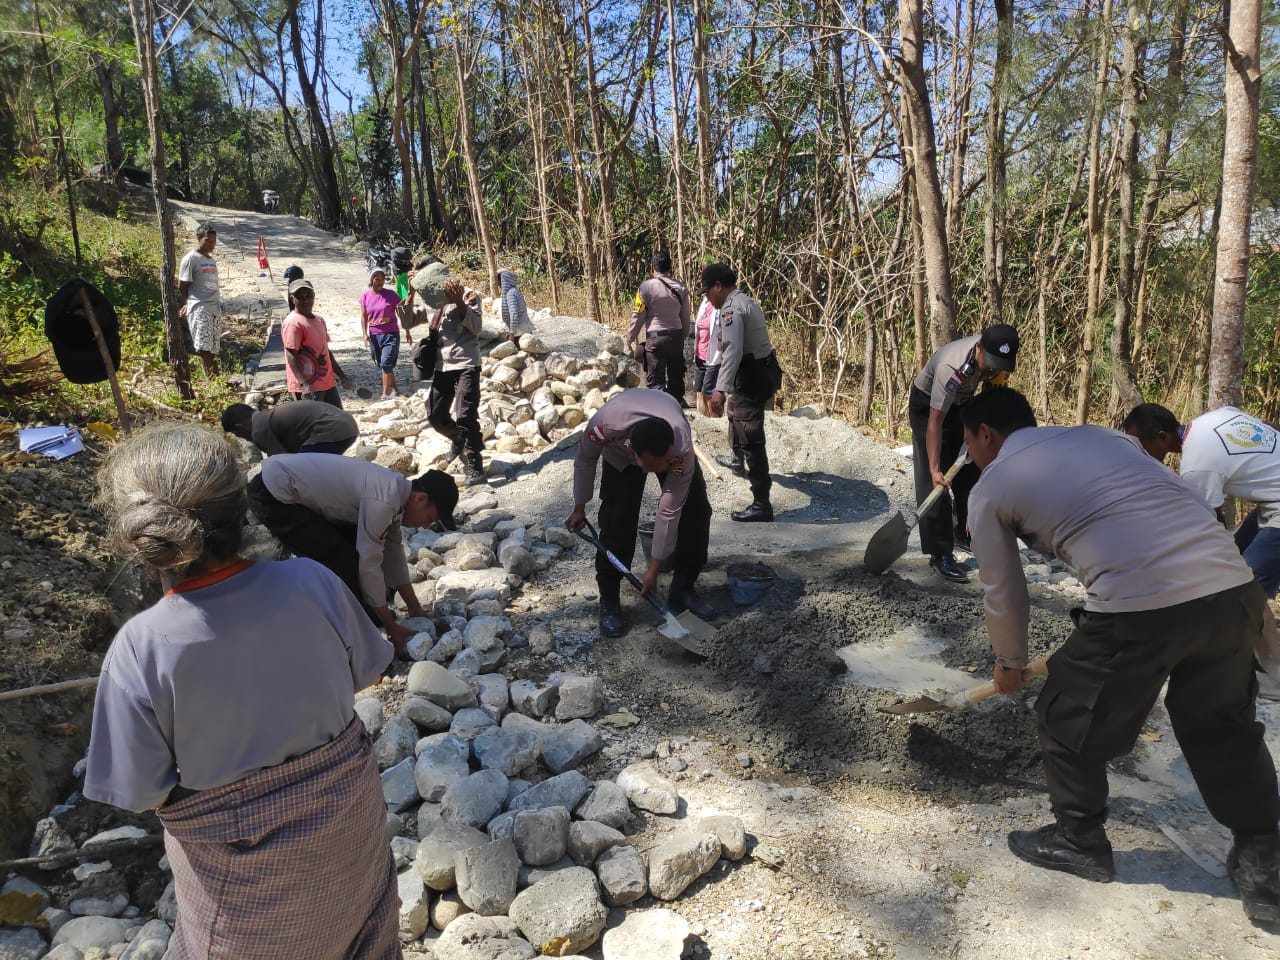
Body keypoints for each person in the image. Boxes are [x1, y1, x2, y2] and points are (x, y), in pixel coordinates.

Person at [962, 387, 1279, 923]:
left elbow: (1003, 590)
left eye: (967, 442)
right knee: (1222, 724)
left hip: (1140, 607)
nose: (969, 454)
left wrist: (1010, 662)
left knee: (1065, 717)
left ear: (985, 434)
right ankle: (1265, 871)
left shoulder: (991, 487)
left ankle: (1079, 841)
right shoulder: (1106, 437)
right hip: (1234, 591)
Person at [85, 424, 401, 959]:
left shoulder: (141, 647)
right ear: (242, 510)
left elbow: (142, 793)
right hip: (354, 854)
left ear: (138, 535)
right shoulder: (313, 582)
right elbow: (367, 673)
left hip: (248, 908)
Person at [1122, 402, 1280, 700]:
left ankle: (1275, 675)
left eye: (1140, 444)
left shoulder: (1197, 465)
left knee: (1246, 588)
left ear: (1161, 436)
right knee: (1231, 570)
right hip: (1271, 502)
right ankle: (1234, 652)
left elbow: (1206, 527)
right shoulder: (1215, 419)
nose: (1139, 453)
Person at [248, 455, 458, 654]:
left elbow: (393, 553)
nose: (425, 525)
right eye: (429, 518)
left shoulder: (396, 494)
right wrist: (391, 627)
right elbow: (369, 563)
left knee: (353, 555)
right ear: (420, 499)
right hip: (272, 492)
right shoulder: (384, 500)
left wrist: (414, 607)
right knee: (342, 561)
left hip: (290, 486)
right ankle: (349, 637)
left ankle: (366, 618)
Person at [566, 388, 713, 638]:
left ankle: (683, 588)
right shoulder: (604, 427)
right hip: (619, 451)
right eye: (653, 466)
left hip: (662, 427)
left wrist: (653, 569)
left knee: (696, 512)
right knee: (617, 519)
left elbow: (669, 509)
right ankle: (610, 599)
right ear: (634, 451)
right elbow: (585, 460)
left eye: (664, 464)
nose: (660, 470)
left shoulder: (680, 449)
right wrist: (580, 506)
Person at [908, 324, 1019, 583]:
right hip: (929, 408)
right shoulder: (952, 368)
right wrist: (935, 469)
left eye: (999, 364)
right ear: (979, 347)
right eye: (989, 362)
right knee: (935, 481)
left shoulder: (998, 365)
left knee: (972, 472)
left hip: (964, 405)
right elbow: (936, 421)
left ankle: (964, 533)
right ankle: (940, 552)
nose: (992, 369)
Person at [702, 262, 781, 523]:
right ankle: (737, 460)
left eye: (707, 292)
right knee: (736, 414)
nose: (707, 298)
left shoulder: (731, 309)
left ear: (718, 287)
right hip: (759, 370)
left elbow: (732, 350)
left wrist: (720, 390)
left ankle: (761, 503)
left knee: (750, 435)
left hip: (752, 375)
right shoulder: (744, 300)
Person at [398, 260, 486, 486]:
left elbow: (476, 327)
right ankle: (458, 438)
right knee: (435, 415)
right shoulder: (431, 300)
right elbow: (407, 321)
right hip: (442, 366)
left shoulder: (466, 294)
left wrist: (459, 302)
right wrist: (411, 293)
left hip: (466, 363)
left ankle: (475, 463)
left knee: (465, 414)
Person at [628, 251, 691, 405]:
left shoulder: (645, 288)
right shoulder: (681, 288)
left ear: (652, 268)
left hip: (655, 338)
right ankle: (676, 406)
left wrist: (630, 337)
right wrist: (682, 336)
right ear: (670, 268)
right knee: (676, 375)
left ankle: (658, 409)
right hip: (676, 336)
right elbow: (685, 317)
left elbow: (638, 316)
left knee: (655, 380)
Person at [283, 278, 354, 408]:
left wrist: (342, 376)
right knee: (314, 424)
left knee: (336, 418)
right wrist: (303, 383)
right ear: (292, 298)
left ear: (314, 296)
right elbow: (290, 354)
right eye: (300, 296)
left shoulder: (319, 320)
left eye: (308, 295)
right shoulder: (293, 323)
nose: (305, 300)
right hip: (309, 387)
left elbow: (326, 351)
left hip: (327, 382)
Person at [221, 399, 358, 456]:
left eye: (237, 434)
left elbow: (282, 462)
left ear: (240, 427)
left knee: (305, 469)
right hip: (347, 424)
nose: (245, 439)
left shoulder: (259, 430)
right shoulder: (266, 416)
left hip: (333, 429)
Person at [177, 222, 221, 378]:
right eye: (207, 241)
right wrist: (187, 303)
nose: (211, 244)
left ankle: (216, 378)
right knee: (203, 347)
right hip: (200, 306)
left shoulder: (211, 260)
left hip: (214, 308)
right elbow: (183, 285)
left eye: (214, 241)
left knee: (213, 347)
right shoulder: (190, 259)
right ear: (198, 239)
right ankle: (213, 382)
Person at [360, 266, 409, 400]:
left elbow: (402, 312)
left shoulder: (391, 295)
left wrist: (408, 331)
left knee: (386, 363)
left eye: (382, 279)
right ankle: (395, 390)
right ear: (372, 280)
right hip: (374, 335)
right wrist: (365, 334)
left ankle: (385, 393)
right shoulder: (365, 296)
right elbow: (364, 316)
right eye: (377, 279)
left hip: (391, 334)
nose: (380, 281)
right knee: (380, 363)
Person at [691, 295, 721, 417]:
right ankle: (702, 417)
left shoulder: (722, 306)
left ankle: (714, 421)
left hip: (713, 357)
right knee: (699, 389)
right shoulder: (705, 303)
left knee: (709, 392)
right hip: (700, 354)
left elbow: (722, 333)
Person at [499, 269, 530, 346]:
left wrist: (512, 334)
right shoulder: (514, 291)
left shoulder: (510, 294)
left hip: (520, 331)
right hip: (523, 328)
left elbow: (514, 315)